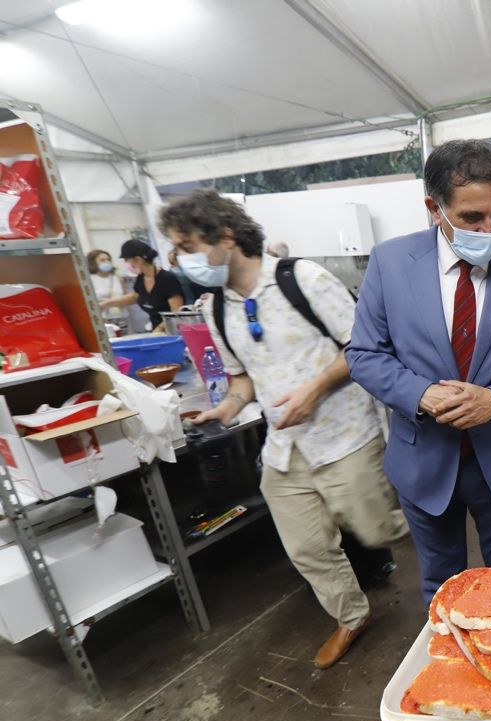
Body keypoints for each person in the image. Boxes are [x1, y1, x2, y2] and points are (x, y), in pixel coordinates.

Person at [160, 189, 410, 670]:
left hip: (343, 436)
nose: (181, 260)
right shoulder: (215, 308)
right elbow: (241, 378)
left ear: (225, 237)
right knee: (306, 547)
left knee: (376, 529)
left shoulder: (303, 279)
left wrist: (314, 389)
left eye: (186, 246)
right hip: (284, 449)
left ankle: (438, 537)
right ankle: (352, 617)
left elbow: (362, 347)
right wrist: (227, 408)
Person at [346, 140, 491, 604]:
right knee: (440, 585)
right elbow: (364, 354)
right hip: (423, 459)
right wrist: (421, 395)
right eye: (472, 218)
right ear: (434, 208)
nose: (490, 230)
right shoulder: (391, 264)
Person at [100, 240, 184, 331]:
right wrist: (106, 303)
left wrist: (160, 329)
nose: (127, 264)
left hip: (174, 330)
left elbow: (176, 311)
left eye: (127, 260)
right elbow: (135, 297)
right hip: (156, 328)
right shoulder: (141, 278)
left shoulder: (166, 279)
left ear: (138, 259)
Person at [86, 249, 127, 330]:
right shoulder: (89, 280)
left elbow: (126, 297)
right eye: (102, 260)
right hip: (102, 319)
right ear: (93, 262)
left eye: (108, 259)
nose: (107, 262)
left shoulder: (117, 278)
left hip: (121, 317)